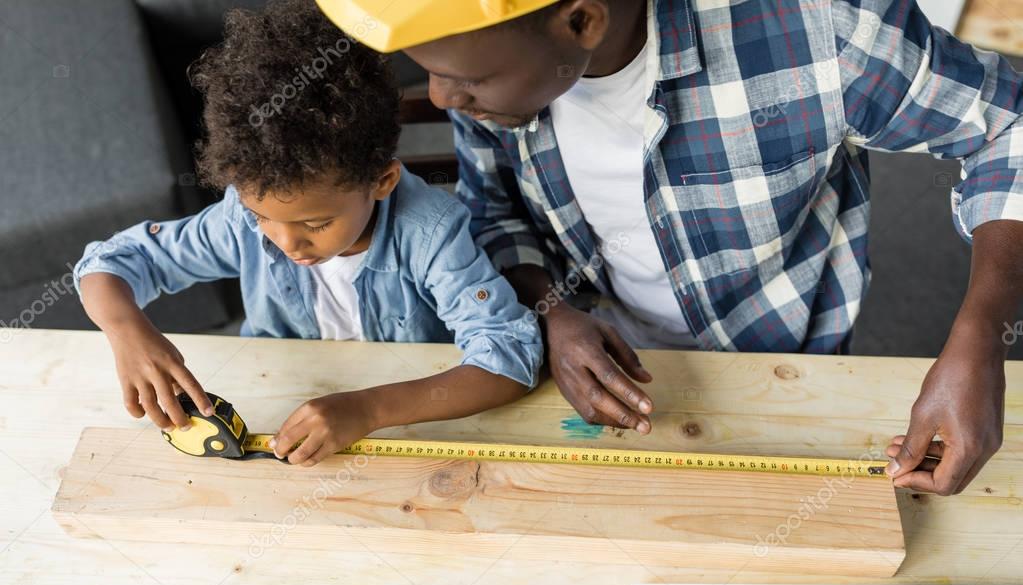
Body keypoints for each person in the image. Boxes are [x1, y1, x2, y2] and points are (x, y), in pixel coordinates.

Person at [317, 0, 1023, 494]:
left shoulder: (821, 28)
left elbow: (1007, 129)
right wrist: (550, 314)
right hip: (578, 372)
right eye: (431, 73)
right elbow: (494, 208)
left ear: (580, 20)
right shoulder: (494, 80)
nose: (442, 100)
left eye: (465, 80)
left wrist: (978, 337)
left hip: (785, 363)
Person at [73, 0, 542, 467]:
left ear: (382, 181)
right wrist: (125, 330)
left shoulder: (431, 232)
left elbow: (510, 356)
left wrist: (369, 408)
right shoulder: (241, 217)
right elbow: (112, 262)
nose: (286, 243)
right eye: (262, 217)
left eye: (316, 224)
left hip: (412, 424)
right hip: (279, 398)